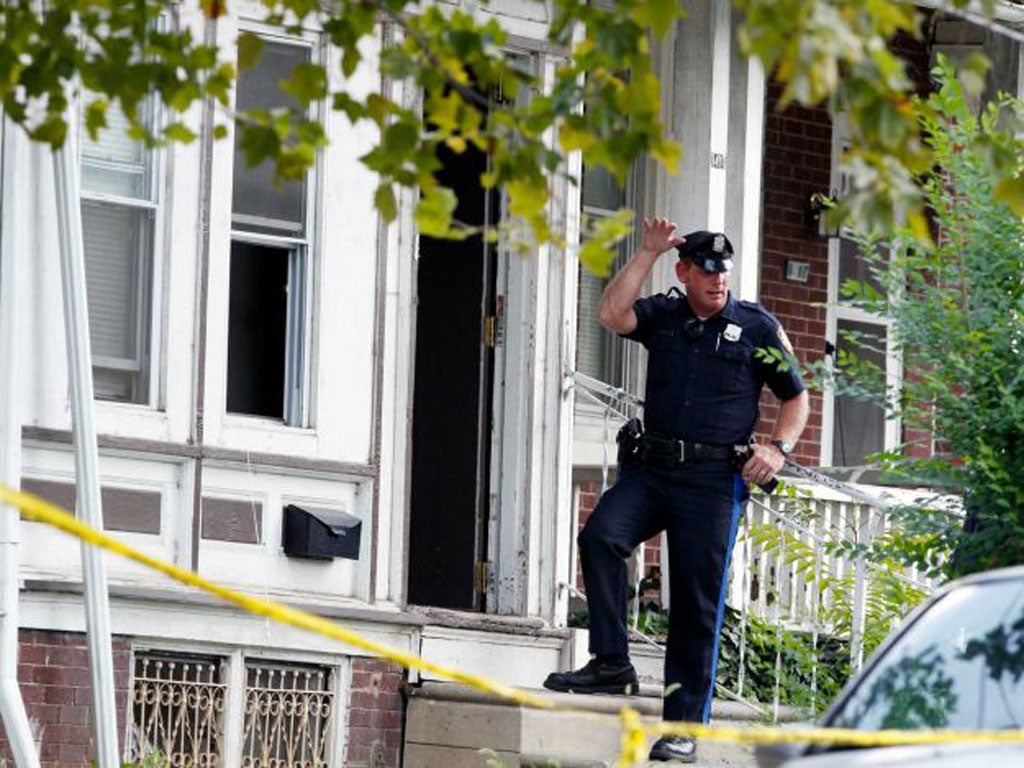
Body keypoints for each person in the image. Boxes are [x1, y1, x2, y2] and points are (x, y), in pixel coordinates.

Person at [545, 217, 809, 763]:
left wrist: (777, 449)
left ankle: (684, 728)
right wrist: (645, 253)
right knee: (601, 538)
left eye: (725, 272)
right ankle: (612, 663)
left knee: (694, 602)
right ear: (684, 271)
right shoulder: (665, 316)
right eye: (707, 271)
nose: (718, 281)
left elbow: (795, 397)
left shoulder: (755, 328)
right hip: (654, 468)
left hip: (712, 482)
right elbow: (611, 314)